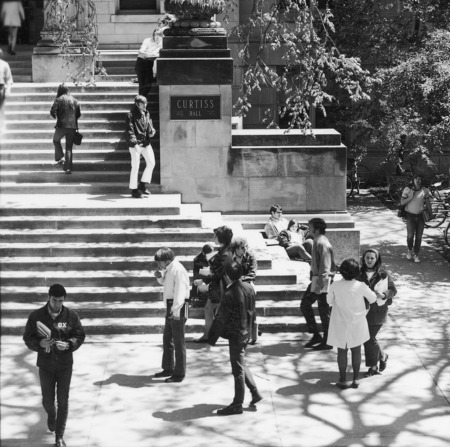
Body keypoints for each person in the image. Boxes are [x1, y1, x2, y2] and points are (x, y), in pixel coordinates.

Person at [23, 284, 85, 447]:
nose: (57, 304)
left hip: (65, 365)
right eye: (54, 300)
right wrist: (39, 343)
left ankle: (59, 437)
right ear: (48, 297)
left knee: (63, 401)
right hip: (46, 365)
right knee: (48, 401)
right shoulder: (36, 316)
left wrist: (70, 344)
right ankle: (51, 414)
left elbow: (79, 334)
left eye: (60, 301)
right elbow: (27, 338)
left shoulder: (71, 315)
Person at [208, 262, 263, 415]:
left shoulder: (229, 294)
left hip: (237, 334)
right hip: (246, 331)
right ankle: (255, 392)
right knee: (241, 363)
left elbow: (220, 319)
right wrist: (253, 331)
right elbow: (253, 311)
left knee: (237, 368)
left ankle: (237, 403)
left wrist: (211, 339)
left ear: (226, 276)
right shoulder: (249, 288)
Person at [327, 259, 380, 389]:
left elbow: (329, 300)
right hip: (357, 322)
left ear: (341, 272)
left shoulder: (335, 285)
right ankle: (356, 379)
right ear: (357, 272)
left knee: (342, 351)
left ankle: (343, 380)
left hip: (339, 322)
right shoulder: (360, 285)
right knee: (356, 350)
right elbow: (373, 298)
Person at [300, 217, 337, 350]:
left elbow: (325, 267)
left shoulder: (322, 243)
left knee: (323, 310)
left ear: (316, 229)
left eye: (310, 227)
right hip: (318, 279)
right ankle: (317, 335)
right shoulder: (318, 241)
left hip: (323, 280)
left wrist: (319, 286)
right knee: (306, 305)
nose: (308, 229)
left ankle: (327, 340)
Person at [154, 247, 190, 383]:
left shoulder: (177, 269)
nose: (159, 265)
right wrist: (160, 277)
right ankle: (168, 367)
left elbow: (180, 292)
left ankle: (179, 373)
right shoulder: (170, 269)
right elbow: (167, 284)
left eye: (160, 262)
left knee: (178, 341)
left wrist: (175, 311)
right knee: (167, 338)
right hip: (172, 306)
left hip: (178, 307)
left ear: (167, 260)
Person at [360, 248, 397, 377]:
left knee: (369, 338)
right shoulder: (359, 273)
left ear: (376, 259)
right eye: (367, 258)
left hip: (378, 311)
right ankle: (382, 356)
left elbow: (393, 290)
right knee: (370, 338)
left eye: (372, 258)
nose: (369, 260)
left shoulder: (383, 274)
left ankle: (373, 367)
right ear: (363, 259)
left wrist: (384, 295)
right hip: (362, 311)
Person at [195, 226, 233, 342]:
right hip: (219, 286)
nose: (214, 237)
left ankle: (208, 336)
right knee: (210, 309)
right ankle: (209, 335)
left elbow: (219, 273)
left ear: (220, 237)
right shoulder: (223, 250)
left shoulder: (225, 253)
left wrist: (203, 280)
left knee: (211, 309)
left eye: (215, 235)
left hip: (221, 286)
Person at [125, 95, 156, 198]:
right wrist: (134, 144)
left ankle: (142, 184)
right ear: (137, 104)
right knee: (135, 167)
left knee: (151, 163)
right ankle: (134, 190)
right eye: (143, 103)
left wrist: (151, 132)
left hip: (145, 143)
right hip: (135, 145)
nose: (145, 105)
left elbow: (149, 126)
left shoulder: (147, 113)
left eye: (146, 103)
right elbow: (130, 131)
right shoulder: (130, 115)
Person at [230, 235, 259, 343]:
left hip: (247, 283)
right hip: (234, 284)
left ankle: (254, 334)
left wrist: (240, 280)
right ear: (236, 248)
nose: (245, 249)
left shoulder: (250, 256)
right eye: (242, 247)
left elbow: (252, 274)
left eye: (246, 246)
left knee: (251, 305)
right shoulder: (230, 257)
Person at [400, 173, 432, 263]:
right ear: (413, 180)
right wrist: (411, 196)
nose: (418, 181)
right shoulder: (408, 190)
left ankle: (416, 254)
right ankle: (409, 250)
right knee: (410, 236)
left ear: (422, 180)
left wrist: (431, 213)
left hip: (420, 216)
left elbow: (428, 203)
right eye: (416, 179)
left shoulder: (425, 191)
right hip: (410, 216)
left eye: (420, 179)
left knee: (419, 237)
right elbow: (402, 202)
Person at [50, 83, 81, 175]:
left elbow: (52, 112)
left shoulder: (58, 100)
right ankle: (68, 168)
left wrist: (57, 116)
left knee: (56, 140)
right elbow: (78, 114)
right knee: (69, 148)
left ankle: (60, 157)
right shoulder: (75, 100)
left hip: (61, 126)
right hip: (72, 127)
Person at [0, 48, 13, 133]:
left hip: (0, 87)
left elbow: (9, 79)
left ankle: (1, 125)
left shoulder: (4, 64)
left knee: (1, 108)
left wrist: (8, 89)